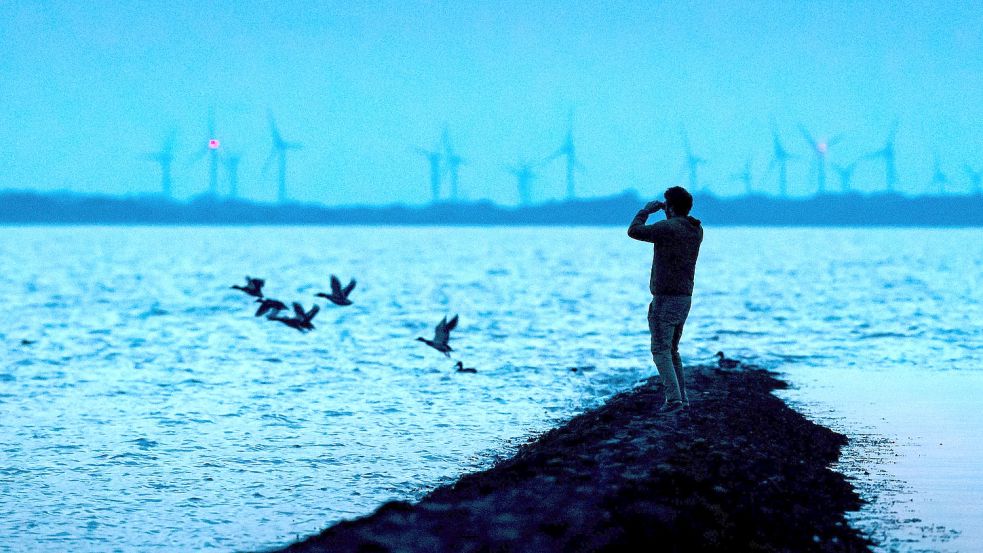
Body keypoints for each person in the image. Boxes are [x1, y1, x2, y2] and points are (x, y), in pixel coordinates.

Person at [627, 186, 703, 414]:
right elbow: (674, 225)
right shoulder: (695, 229)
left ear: (669, 207)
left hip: (666, 298)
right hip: (684, 297)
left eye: (666, 204)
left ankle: (674, 401)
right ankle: (682, 399)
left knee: (660, 350)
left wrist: (646, 211)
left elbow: (634, 231)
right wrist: (668, 212)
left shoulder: (668, 228)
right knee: (672, 350)